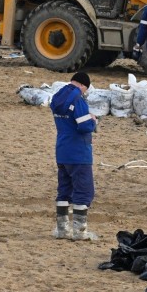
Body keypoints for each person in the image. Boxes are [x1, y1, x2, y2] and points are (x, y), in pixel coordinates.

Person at [50, 72, 98, 241]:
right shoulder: (78, 100)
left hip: (62, 150)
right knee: (83, 191)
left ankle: (62, 229)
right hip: (78, 153)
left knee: (64, 190)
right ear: (83, 86)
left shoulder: (57, 97)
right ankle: (80, 232)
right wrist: (93, 121)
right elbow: (84, 126)